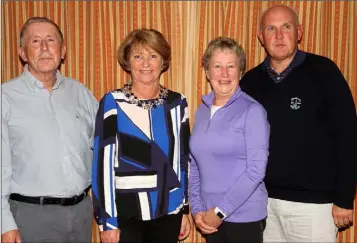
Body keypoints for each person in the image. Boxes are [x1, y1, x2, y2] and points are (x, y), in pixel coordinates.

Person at [240, 5, 357, 242]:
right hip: (263, 205)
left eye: (287, 27)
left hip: (315, 208)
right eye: (271, 28)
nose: (279, 35)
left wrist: (345, 198)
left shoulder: (324, 71)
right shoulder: (250, 82)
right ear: (261, 37)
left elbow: (348, 136)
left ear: (299, 32)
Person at [1, 17, 98, 243]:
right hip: (31, 216)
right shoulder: (5, 97)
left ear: (62, 51)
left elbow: (103, 148)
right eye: (35, 41)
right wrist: (4, 223)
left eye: (50, 40)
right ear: (23, 53)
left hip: (82, 213)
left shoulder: (80, 92)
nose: (44, 48)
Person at [91, 28, 191, 243]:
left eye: (153, 56)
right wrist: (107, 221)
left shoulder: (177, 103)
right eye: (138, 56)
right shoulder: (112, 103)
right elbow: (103, 167)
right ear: (127, 62)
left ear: (163, 62)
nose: (146, 63)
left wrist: (184, 209)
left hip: (169, 211)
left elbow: (183, 161)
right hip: (127, 215)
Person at [189, 37, 270, 243]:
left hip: (244, 218)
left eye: (231, 66)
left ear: (240, 72)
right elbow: (196, 165)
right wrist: (197, 208)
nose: (224, 74)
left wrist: (220, 212)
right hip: (208, 217)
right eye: (217, 66)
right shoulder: (202, 111)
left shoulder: (252, 111)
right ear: (207, 72)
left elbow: (255, 171)